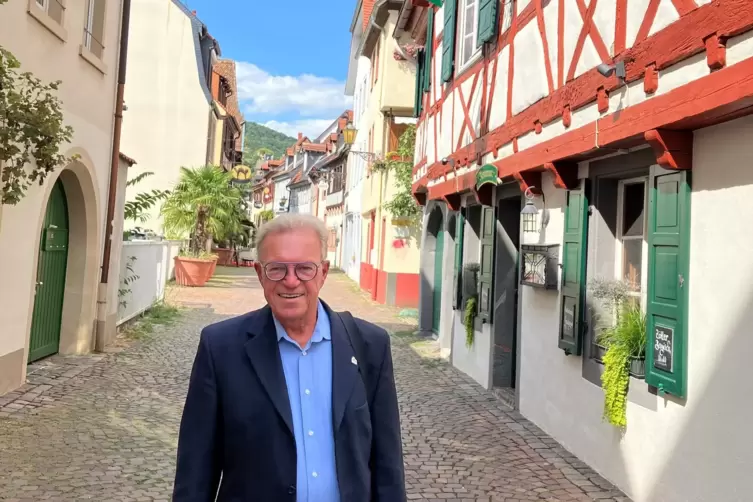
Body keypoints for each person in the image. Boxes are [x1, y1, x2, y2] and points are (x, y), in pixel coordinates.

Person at [172, 213, 406, 502]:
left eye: (305, 268)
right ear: (259, 273)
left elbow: (388, 465)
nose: (291, 281)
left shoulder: (370, 345)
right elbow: (196, 470)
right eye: (277, 269)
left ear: (323, 272)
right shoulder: (220, 347)